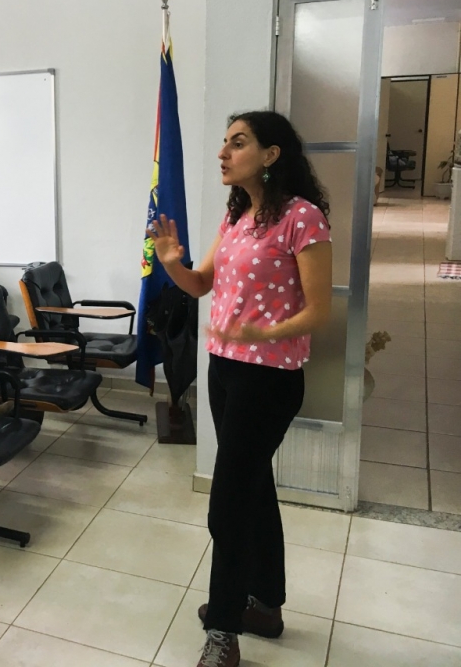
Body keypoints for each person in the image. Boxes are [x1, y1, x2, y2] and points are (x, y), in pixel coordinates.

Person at [149, 111, 332, 667]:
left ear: (272, 154)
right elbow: (202, 284)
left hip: (270, 379)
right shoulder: (238, 216)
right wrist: (171, 262)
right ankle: (266, 606)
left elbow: (319, 310)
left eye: (238, 143)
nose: (224, 153)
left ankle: (224, 630)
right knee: (254, 487)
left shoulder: (303, 218)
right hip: (225, 370)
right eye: (224, 143)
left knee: (227, 505)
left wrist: (266, 331)